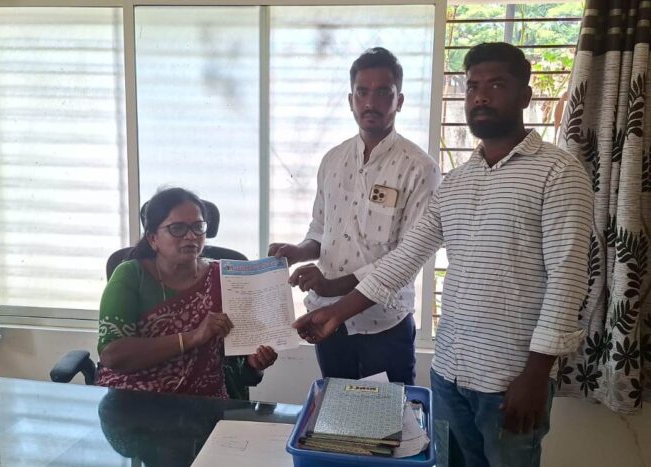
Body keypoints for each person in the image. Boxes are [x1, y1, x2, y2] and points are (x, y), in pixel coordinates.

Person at [292, 42, 594, 466]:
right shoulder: (457, 182)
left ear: (525, 96)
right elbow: (403, 260)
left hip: (509, 379)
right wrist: (337, 312)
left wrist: (536, 374)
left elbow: (568, 279)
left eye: (495, 85)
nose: (480, 97)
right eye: (472, 87)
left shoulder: (558, 172)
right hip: (449, 373)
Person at [268, 47, 441, 385]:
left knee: (389, 416)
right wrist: (298, 252)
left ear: (399, 100)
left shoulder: (420, 168)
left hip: (385, 324)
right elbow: (321, 229)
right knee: (336, 410)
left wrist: (333, 284)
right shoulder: (333, 160)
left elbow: (407, 258)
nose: (370, 102)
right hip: (329, 321)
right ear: (351, 100)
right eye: (362, 92)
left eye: (383, 92)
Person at [96, 187, 277, 399]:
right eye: (177, 228)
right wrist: (192, 337)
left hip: (206, 401)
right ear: (153, 238)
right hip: (132, 396)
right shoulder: (131, 275)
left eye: (198, 227)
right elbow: (113, 355)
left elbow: (244, 368)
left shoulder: (226, 279)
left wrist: (254, 364)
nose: (191, 236)